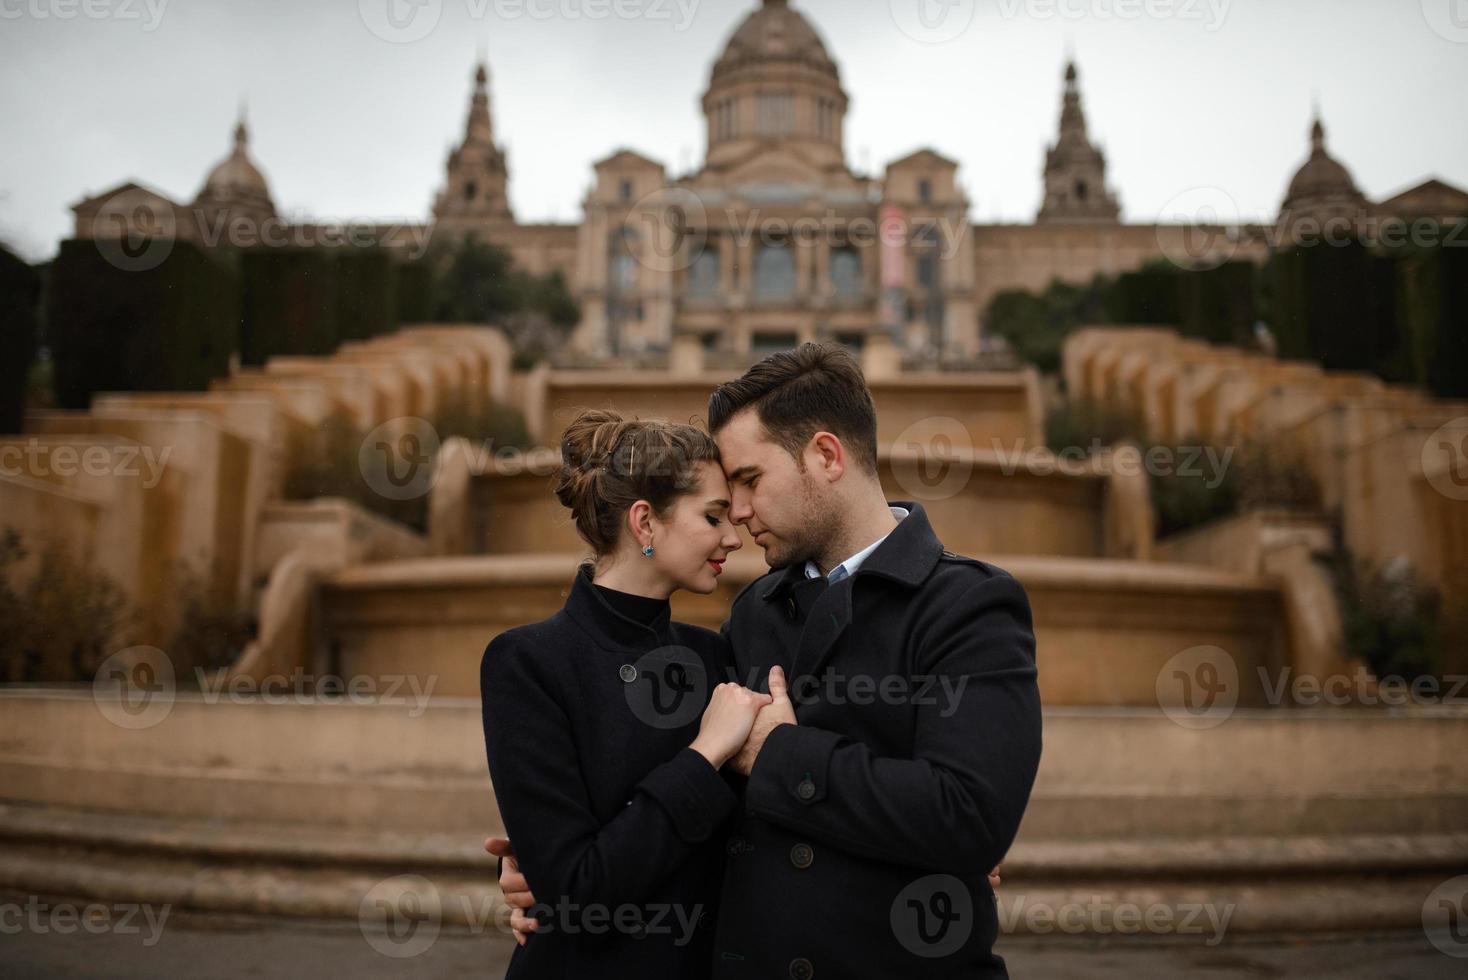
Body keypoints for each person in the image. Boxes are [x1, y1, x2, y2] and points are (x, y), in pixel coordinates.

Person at [495, 343, 1043, 978]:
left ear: (827, 456)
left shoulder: (970, 602)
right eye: (726, 497)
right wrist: (550, 862)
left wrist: (780, 752)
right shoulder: (754, 611)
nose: (740, 517)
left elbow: (971, 818)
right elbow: (668, 775)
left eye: (750, 482)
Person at [479, 409, 771, 979]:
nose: (733, 537)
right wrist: (704, 755)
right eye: (713, 516)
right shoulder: (528, 662)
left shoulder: (715, 658)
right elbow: (579, 890)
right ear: (645, 522)